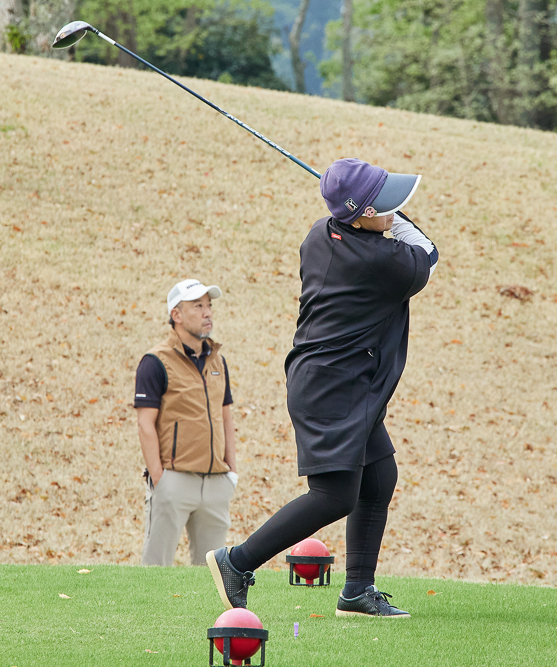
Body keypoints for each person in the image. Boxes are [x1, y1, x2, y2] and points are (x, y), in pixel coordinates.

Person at [207, 158, 438, 618]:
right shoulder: (381, 260)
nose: (392, 209)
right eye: (385, 203)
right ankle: (237, 561)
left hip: (336, 380)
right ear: (363, 215)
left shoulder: (320, 233)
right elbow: (427, 254)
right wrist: (395, 218)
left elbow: (370, 226)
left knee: (379, 477)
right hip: (335, 387)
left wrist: (370, 210)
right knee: (335, 496)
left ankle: (357, 591)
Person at [135, 279, 238, 567]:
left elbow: (225, 417)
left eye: (209, 305)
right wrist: (160, 479)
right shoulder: (155, 361)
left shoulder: (218, 361)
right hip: (173, 479)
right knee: (156, 568)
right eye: (198, 306)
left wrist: (231, 471)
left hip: (216, 482)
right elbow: (145, 425)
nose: (207, 312)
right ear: (176, 315)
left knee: (212, 573)